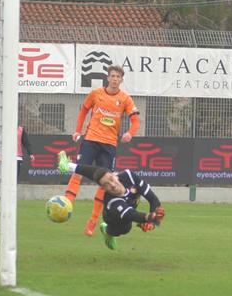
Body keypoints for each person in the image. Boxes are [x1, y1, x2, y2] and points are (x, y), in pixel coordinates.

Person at [64, 65, 140, 237]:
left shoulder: (125, 98)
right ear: (107, 78)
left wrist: (129, 133)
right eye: (112, 76)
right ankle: (67, 203)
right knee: (78, 170)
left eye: (117, 76)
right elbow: (83, 110)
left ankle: (93, 220)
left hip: (109, 145)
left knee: (106, 183)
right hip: (90, 140)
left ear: (121, 79)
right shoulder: (96, 94)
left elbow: (135, 121)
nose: (114, 79)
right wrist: (78, 130)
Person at [57, 151, 164, 250]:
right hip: (113, 218)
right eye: (106, 185)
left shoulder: (129, 176)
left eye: (112, 179)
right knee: (125, 229)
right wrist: (148, 217)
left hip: (129, 207)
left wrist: (152, 222)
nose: (112, 185)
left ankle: (68, 166)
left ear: (115, 175)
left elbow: (153, 199)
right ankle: (107, 231)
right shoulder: (112, 202)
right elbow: (130, 215)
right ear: (103, 189)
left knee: (101, 173)